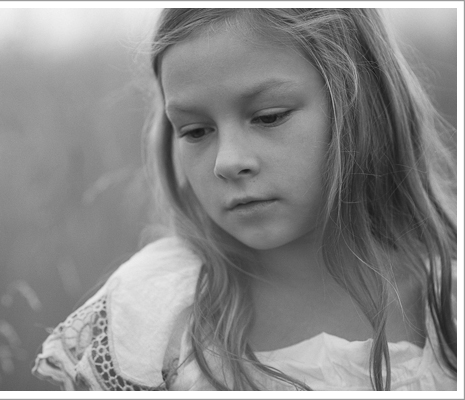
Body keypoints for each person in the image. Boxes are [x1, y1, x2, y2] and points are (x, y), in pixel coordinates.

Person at [32, 8, 457, 390]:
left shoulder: (449, 300)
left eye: (269, 117)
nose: (228, 162)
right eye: (196, 131)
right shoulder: (150, 318)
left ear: (362, 104)